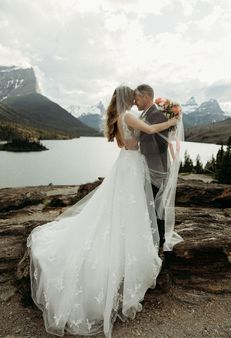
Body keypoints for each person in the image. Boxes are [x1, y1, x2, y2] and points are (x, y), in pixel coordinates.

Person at [26, 85, 178, 338]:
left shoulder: (118, 117)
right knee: (130, 208)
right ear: (127, 99)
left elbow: (126, 143)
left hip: (125, 164)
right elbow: (149, 130)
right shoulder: (129, 115)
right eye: (133, 96)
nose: (135, 99)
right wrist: (172, 120)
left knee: (120, 208)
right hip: (132, 166)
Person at [133, 84, 184, 281]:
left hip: (156, 169)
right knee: (150, 207)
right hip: (148, 168)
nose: (135, 102)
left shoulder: (156, 115)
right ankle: (153, 243)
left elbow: (161, 145)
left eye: (137, 98)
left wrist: (142, 153)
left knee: (156, 208)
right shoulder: (147, 114)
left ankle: (160, 246)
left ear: (146, 96)